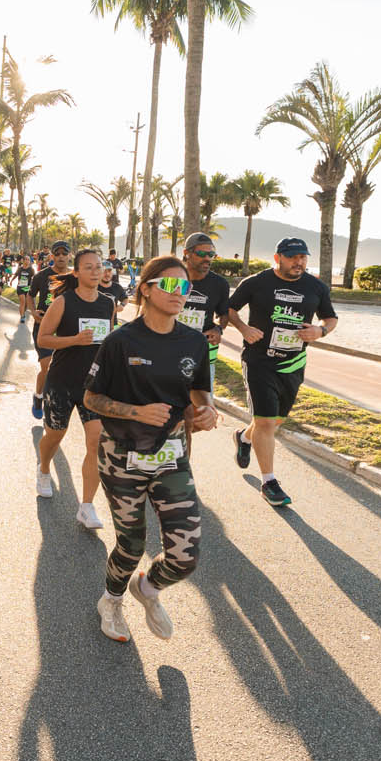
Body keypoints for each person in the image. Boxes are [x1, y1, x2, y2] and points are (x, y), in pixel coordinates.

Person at [83, 254, 219, 642]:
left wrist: (207, 409)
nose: (180, 293)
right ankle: (110, 601)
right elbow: (91, 398)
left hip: (171, 455)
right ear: (146, 289)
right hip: (121, 456)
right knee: (131, 545)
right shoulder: (121, 341)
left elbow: (199, 389)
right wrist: (136, 412)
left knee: (185, 555)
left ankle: (147, 588)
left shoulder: (193, 340)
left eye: (185, 287)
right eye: (171, 285)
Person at [224, 237, 338, 507]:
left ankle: (243, 437)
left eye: (303, 257)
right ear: (278, 258)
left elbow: (330, 318)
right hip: (259, 361)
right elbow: (229, 309)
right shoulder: (256, 282)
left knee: (274, 421)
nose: (299, 262)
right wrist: (243, 329)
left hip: (293, 364)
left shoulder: (316, 287)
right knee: (265, 422)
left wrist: (320, 330)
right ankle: (269, 482)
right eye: (292, 257)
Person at [35, 249, 115, 522]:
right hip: (62, 382)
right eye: (88, 267)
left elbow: (108, 343)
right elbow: (44, 339)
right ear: (77, 272)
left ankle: (87, 506)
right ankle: (44, 469)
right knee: (54, 435)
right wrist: (74, 340)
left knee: (97, 441)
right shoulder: (63, 302)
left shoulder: (108, 303)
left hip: (93, 386)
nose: (95, 271)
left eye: (98, 266)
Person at [176, 233, 231, 417]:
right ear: (187, 253)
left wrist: (219, 329)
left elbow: (224, 314)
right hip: (170, 346)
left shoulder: (219, 284)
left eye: (211, 254)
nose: (207, 258)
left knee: (201, 412)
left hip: (202, 351)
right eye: (201, 253)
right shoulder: (175, 279)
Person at [30, 242, 71, 420]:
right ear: (52, 256)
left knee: (61, 369)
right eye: (57, 253)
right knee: (47, 366)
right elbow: (30, 296)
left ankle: (53, 397)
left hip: (66, 329)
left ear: (69, 255)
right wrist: (33, 312)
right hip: (43, 328)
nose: (61, 256)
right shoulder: (41, 276)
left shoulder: (75, 277)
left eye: (64, 253)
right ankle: (39, 396)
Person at [14, 254, 36, 324]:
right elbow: (16, 275)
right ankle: (22, 316)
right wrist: (11, 281)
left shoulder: (31, 269)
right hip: (20, 287)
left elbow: (35, 278)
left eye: (28, 260)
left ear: (29, 261)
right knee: (22, 301)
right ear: (23, 261)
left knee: (26, 303)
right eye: (25, 259)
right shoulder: (20, 269)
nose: (27, 261)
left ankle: (23, 311)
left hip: (27, 287)